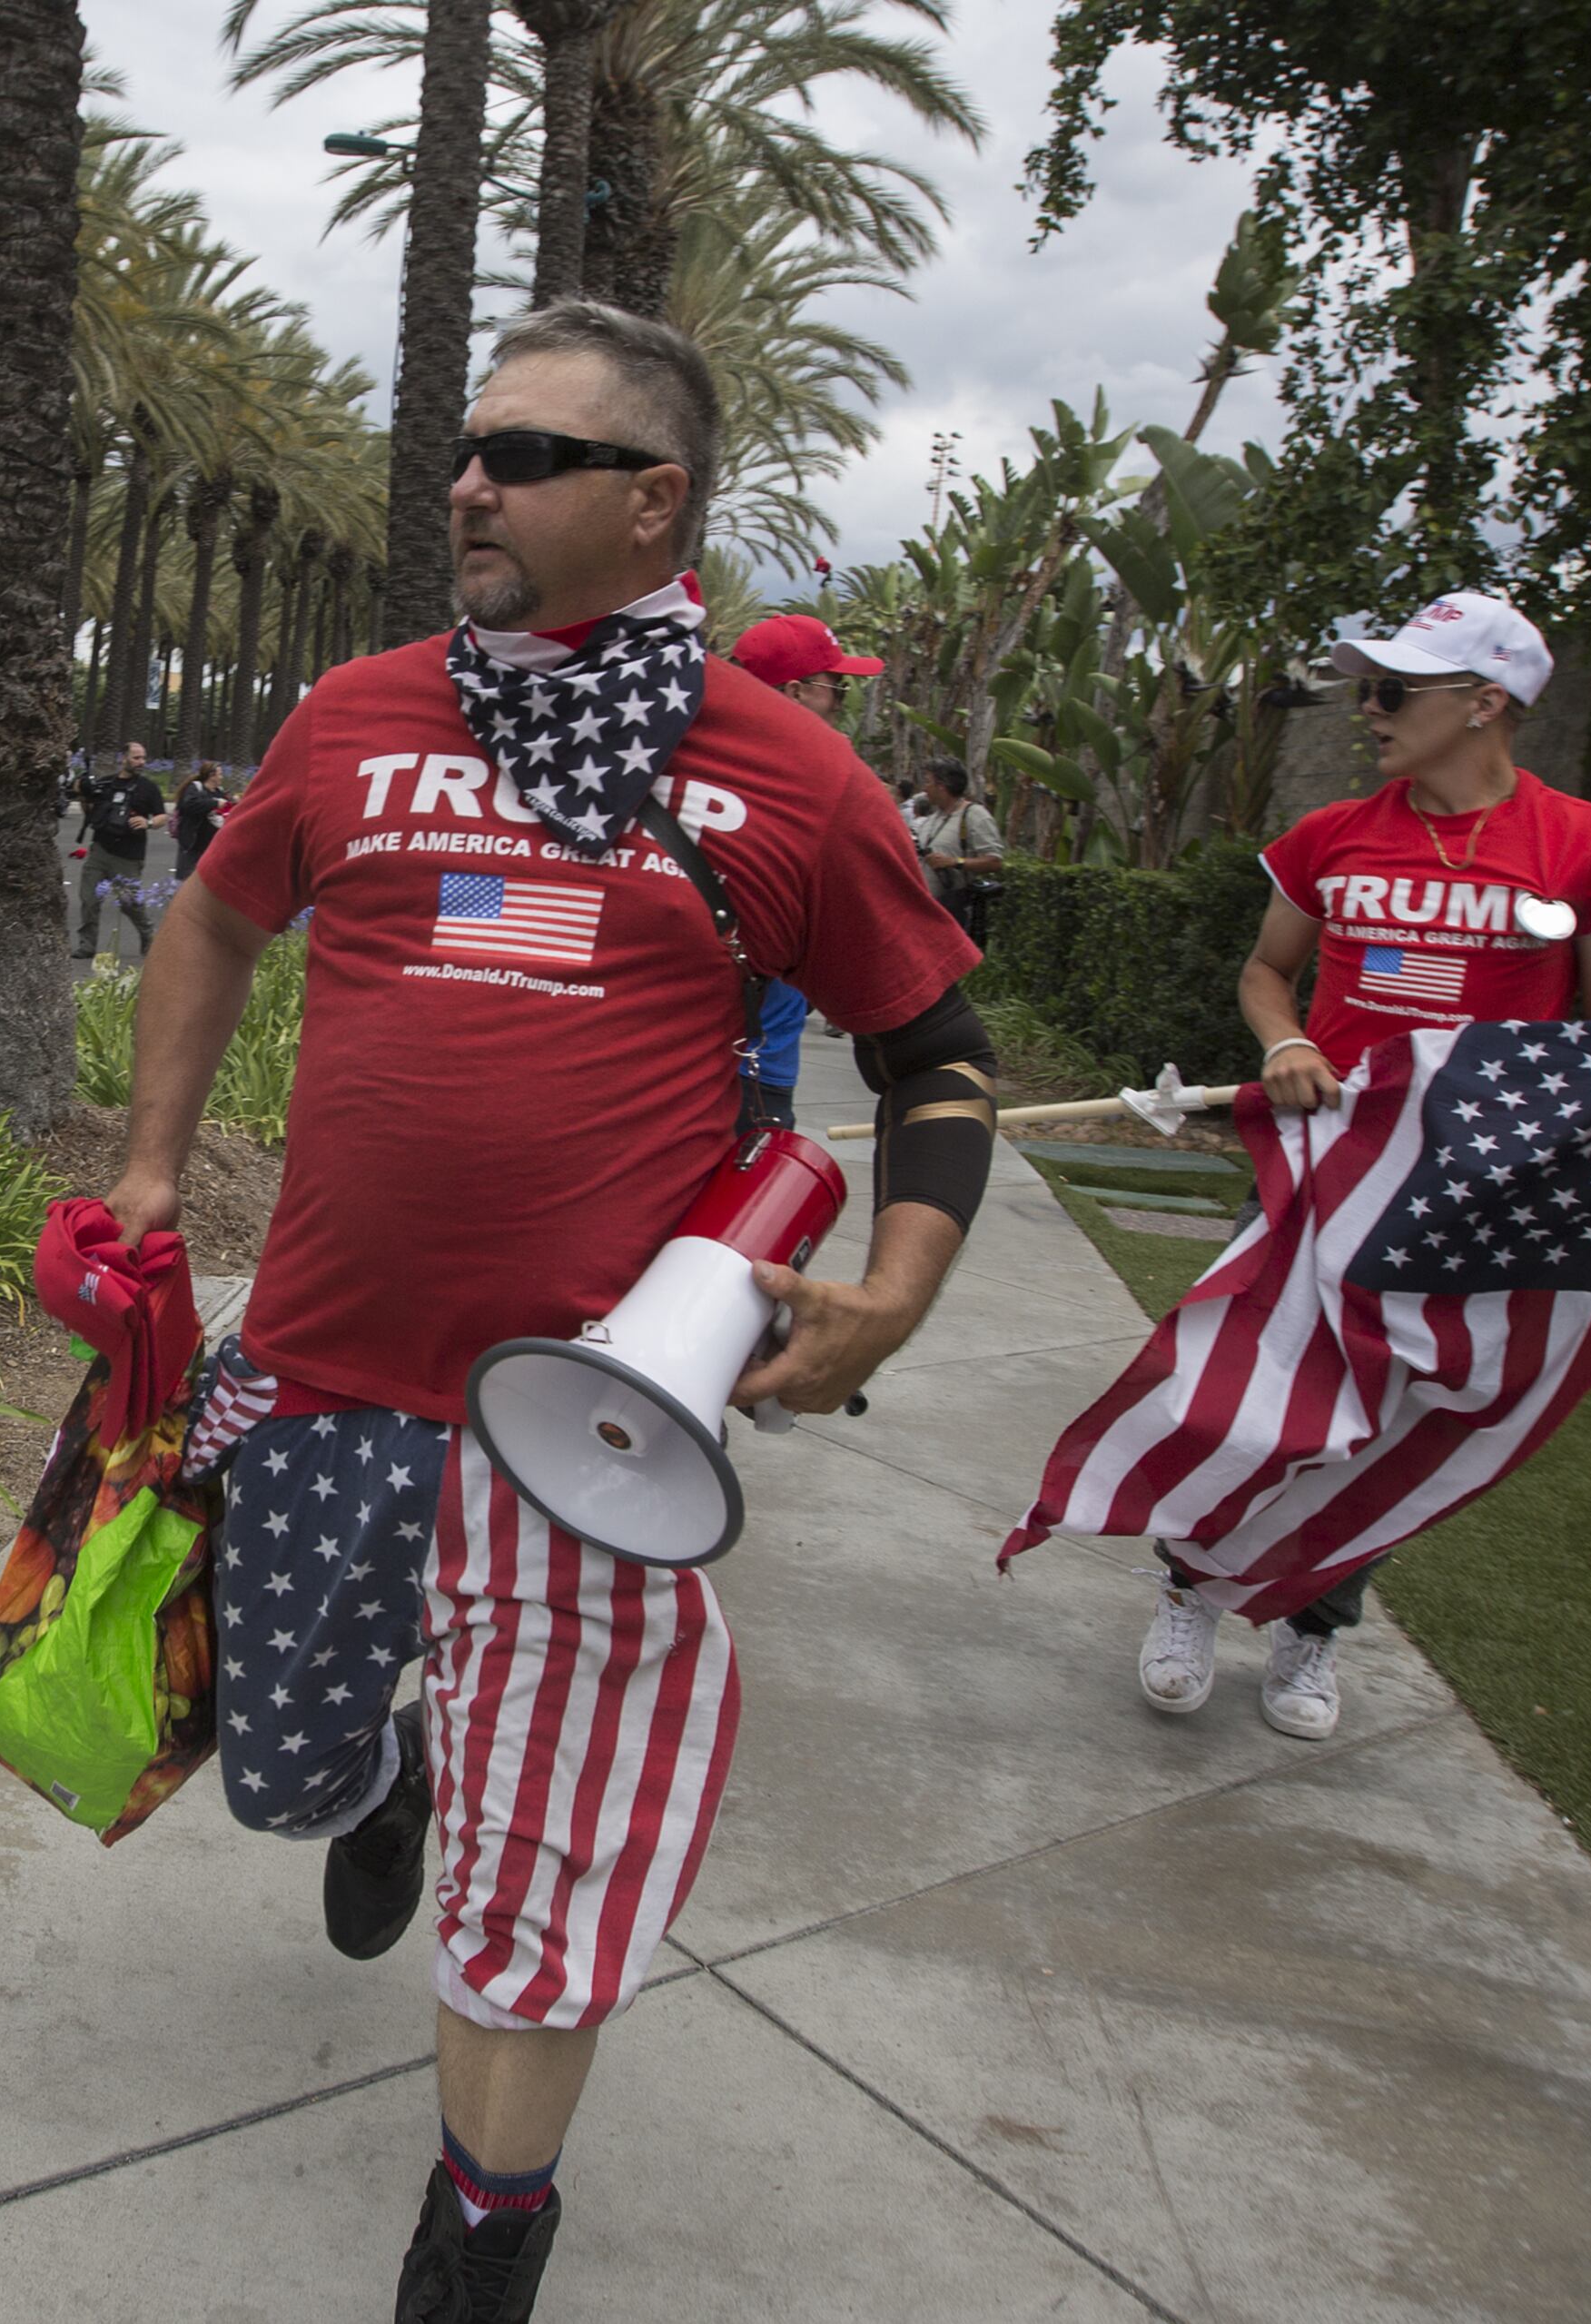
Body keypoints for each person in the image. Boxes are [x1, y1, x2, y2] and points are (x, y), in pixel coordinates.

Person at [103, 302, 999, 2324]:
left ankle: (481, 2233)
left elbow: (940, 1056)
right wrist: (157, 1168)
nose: (470, 482)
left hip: (585, 1429)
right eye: (466, 448)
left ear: (653, 499)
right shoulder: (357, 713)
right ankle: (385, 1774)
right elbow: (220, 915)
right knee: (282, 1759)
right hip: (320, 1377)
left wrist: (897, 1296)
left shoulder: (786, 774)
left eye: (524, 452)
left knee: (550, 1876)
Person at [1137, 591, 1591, 1740]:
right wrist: (1284, 1041)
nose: (1369, 710)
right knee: (1244, 1387)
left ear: (1487, 704)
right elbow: (1267, 974)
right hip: (1318, 1163)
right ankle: (1188, 1592)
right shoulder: (1333, 835)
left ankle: (1310, 1632)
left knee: (1381, 1414)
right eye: (1368, 688)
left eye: (1395, 691)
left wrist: (1528, 1139)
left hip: (1459, 1186)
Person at [727, 614, 888, 1124]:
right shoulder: (809, 798)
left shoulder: (699, 777)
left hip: (702, 1067)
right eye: (836, 689)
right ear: (795, 693)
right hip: (751, 1075)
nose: (841, 703)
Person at [74, 740, 167, 960]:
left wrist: (149, 823)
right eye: (136, 758)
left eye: (143, 758)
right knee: (89, 900)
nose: (141, 762)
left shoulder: (148, 788)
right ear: (123, 759)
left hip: (128, 855)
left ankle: (147, 934)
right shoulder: (105, 784)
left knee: (130, 904)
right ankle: (87, 945)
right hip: (100, 850)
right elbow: (89, 810)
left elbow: (163, 816)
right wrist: (83, 792)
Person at [908, 758, 1003, 942]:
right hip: (923, 912)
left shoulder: (974, 815)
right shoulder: (932, 819)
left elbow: (995, 861)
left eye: (928, 782)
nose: (925, 788)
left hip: (952, 911)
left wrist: (955, 862)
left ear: (942, 786)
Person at [173, 759, 229, 879]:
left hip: (212, 847)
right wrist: (214, 803)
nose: (222, 777)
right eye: (220, 774)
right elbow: (188, 805)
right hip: (193, 845)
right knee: (186, 879)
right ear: (211, 776)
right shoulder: (195, 789)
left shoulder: (220, 792)